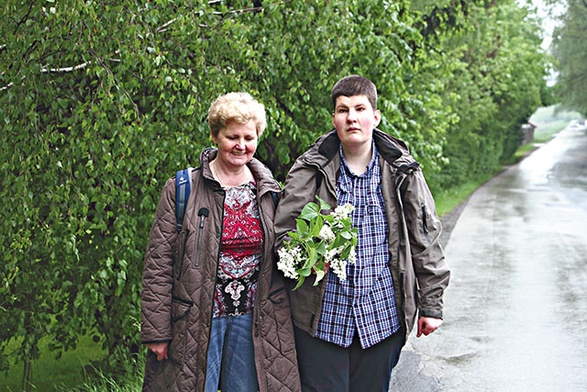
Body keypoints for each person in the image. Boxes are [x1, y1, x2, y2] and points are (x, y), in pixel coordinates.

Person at [274, 75, 450, 392]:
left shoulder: (402, 169)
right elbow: (284, 232)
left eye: (359, 108)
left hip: (382, 316)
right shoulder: (310, 168)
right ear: (334, 119)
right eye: (343, 110)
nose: (351, 117)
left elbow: (425, 236)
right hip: (321, 319)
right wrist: (306, 258)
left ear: (375, 116)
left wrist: (431, 305)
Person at [141, 92, 301, 392]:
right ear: (215, 135)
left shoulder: (270, 193)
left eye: (248, 137)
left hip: (252, 322)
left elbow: (285, 253)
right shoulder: (182, 189)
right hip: (195, 321)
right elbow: (159, 263)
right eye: (232, 136)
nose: (241, 145)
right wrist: (156, 331)